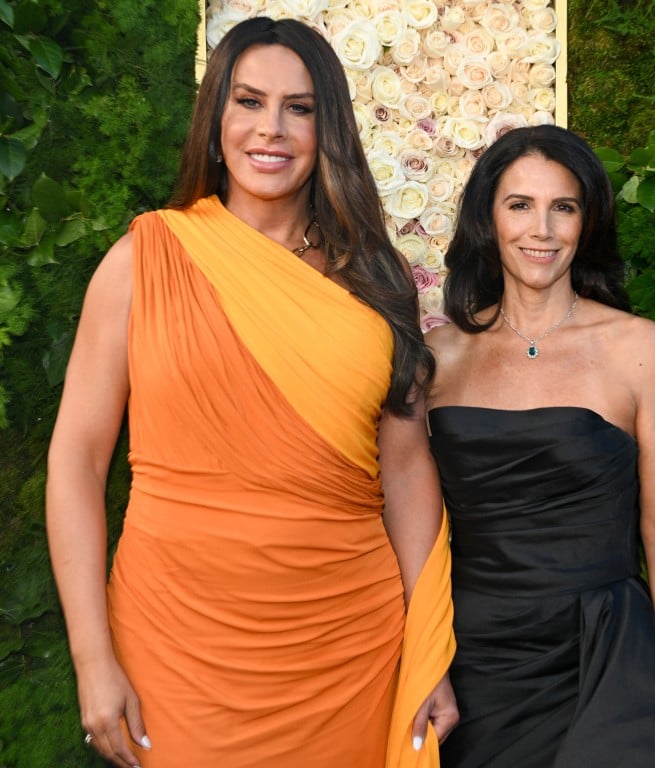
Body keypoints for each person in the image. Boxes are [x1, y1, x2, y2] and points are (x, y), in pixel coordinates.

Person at [46, 17, 457, 768]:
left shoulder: (375, 277)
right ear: (215, 122)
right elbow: (76, 458)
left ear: (326, 127)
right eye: (249, 101)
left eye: (299, 108)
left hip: (348, 652)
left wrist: (429, 650)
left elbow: (405, 469)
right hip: (174, 645)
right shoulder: (144, 259)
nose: (272, 129)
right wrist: (91, 659)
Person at [425, 124, 655, 767]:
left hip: (607, 656)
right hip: (476, 665)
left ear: (585, 221)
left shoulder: (637, 347)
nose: (541, 229)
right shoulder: (440, 355)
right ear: (488, 218)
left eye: (562, 207)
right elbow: (415, 526)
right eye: (520, 205)